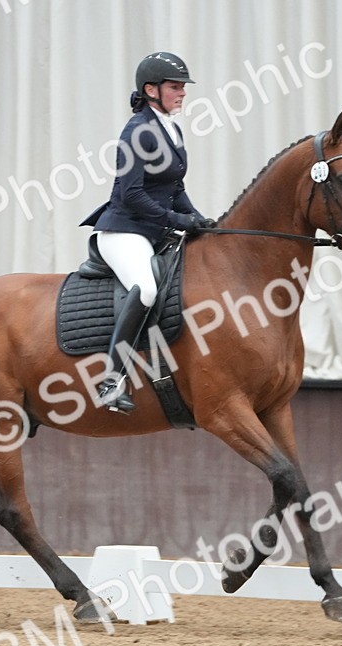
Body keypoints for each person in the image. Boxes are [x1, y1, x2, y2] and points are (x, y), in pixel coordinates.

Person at [80, 51, 215, 415]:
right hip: (124, 230)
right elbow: (131, 194)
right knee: (147, 289)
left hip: (153, 229)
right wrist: (176, 220)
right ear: (151, 90)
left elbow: (175, 186)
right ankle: (110, 380)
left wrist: (200, 219)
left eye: (183, 87)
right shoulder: (137, 130)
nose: (182, 93)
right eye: (175, 87)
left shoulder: (171, 126)